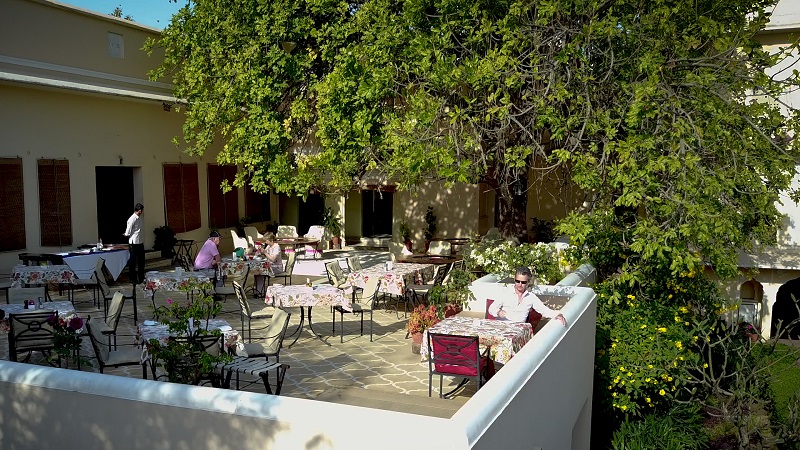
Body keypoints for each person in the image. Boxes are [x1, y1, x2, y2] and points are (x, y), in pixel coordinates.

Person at [487, 266, 567, 327]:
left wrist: (557, 315)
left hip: (519, 330)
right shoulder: (505, 292)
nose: (520, 284)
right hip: (502, 327)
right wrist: (498, 312)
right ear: (514, 280)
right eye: (517, 281)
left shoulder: (531, 297)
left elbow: (544, 310)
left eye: (523, 282)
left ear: (528, 282)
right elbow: (491, 309)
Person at [123, 203, 145, 284]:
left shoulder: (139, 218)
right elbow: (128, 232)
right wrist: (125, 234)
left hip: (140, 242)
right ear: (139, 210)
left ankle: (141, 277)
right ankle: (132, 278)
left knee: (141, 261)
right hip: (134, 243)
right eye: (141, 210)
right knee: (133, 261)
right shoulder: (131, 219)